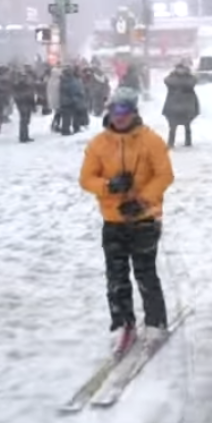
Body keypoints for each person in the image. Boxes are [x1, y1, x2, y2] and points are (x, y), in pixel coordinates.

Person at [79, 87, 175, 352]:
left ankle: (156, 322)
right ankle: (122, 324)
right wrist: (109, 185)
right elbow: (86, 179)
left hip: (144, 219)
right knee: (116, 276)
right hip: (113, 220)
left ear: (133, 112)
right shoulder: (99, 144)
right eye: (113, 109)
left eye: (123, 110)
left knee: (145, 273)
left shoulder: (151, 141)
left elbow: (164, 175)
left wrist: (143, 200)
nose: (117, 116)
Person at [162, 62, 199, 148]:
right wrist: (181, 84)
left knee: (187, 124)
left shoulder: (189, 77)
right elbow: (167, 81)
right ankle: (171, 142)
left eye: (182, 69)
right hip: (173, 104)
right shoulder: (172, 77)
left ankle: (188, 141)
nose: (180, 71)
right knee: (173, 125)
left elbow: (191, 83)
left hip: (186, 104)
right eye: (178, 69)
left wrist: (180, 84)